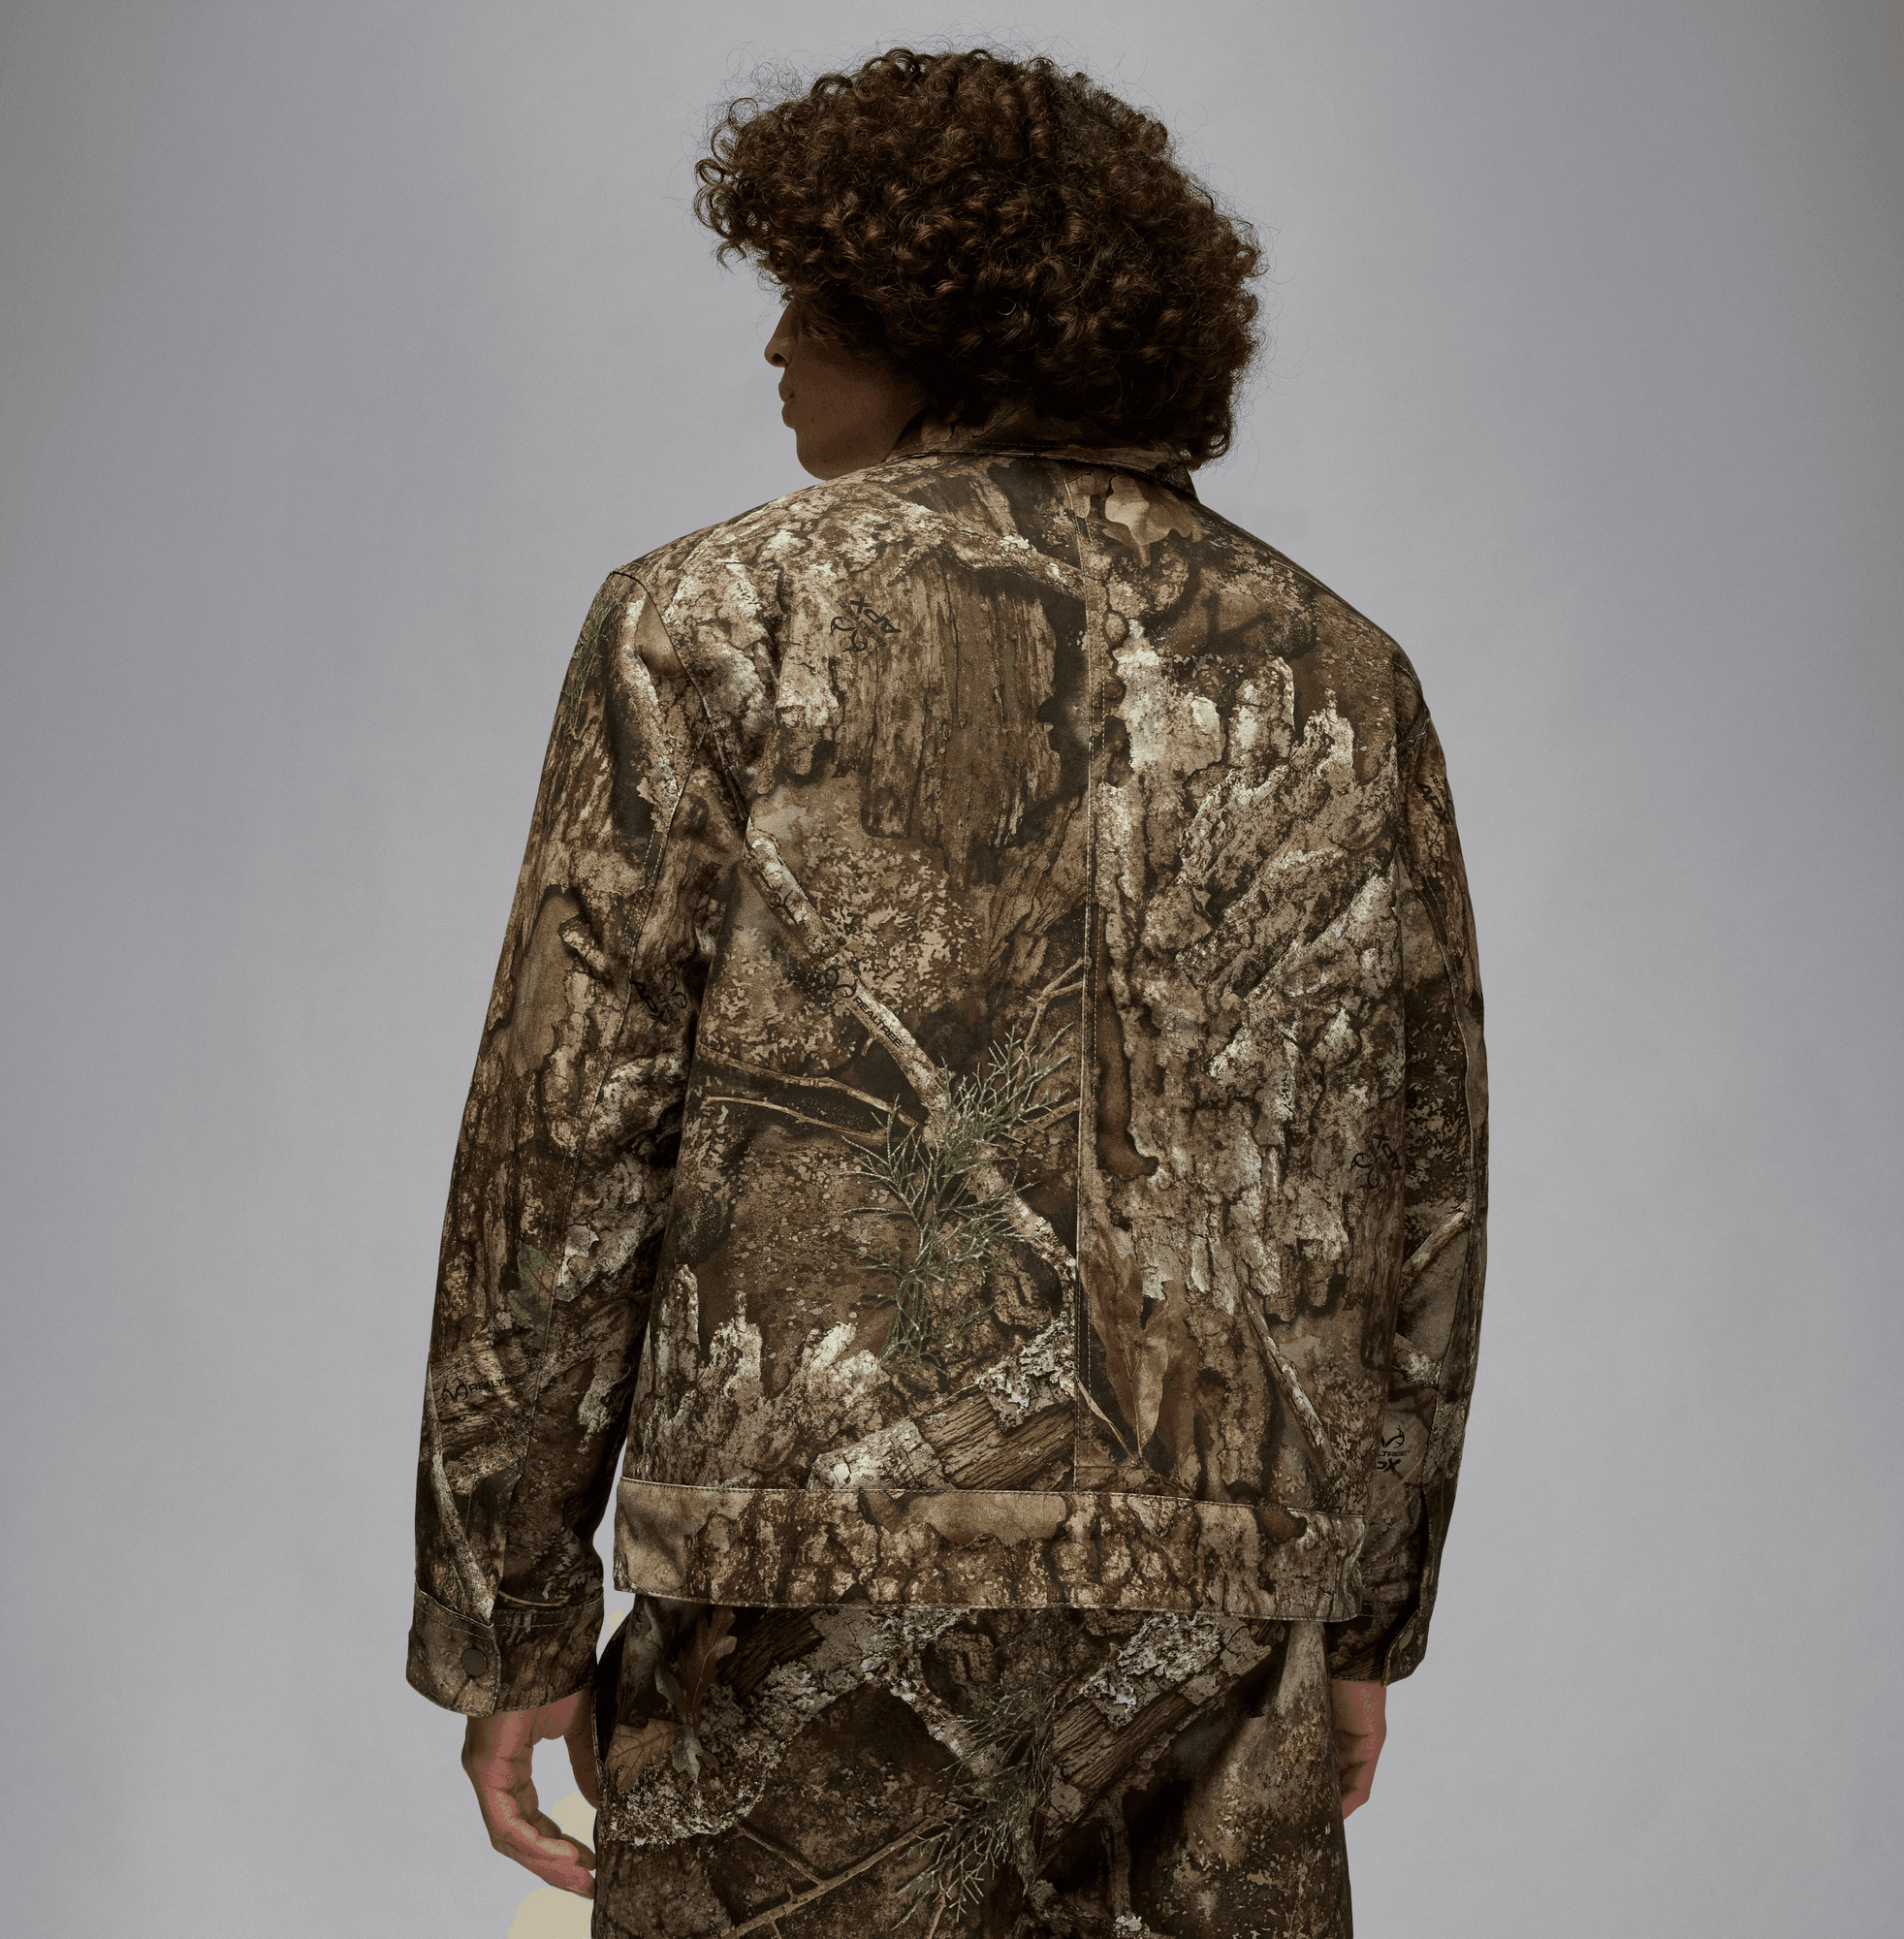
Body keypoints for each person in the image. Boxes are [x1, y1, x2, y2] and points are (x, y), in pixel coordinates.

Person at [408, 48, 1487, 1939]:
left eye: (814, 300)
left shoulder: (706, 620)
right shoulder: (1340, 670)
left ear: (937, 315)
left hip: (798, 1576)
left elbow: (564, 1140)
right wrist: (1361, 1603)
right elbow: (1416, 1182)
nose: (773, 346)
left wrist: (509, 1609)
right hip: (1213, 1586)